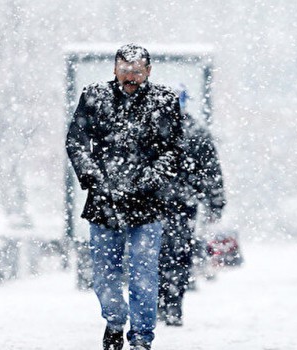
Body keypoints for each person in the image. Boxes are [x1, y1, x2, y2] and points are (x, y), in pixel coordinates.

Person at [66, 44, 184, 350]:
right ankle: (115, 320)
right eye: (124, 70)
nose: (130, 77)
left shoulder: (164, 100)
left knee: (144, 271)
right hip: (104, 201)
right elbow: (76, 141)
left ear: (148, 71)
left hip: (148, 201)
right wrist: (93, 176)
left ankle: (142, 337)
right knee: (105, 272)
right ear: (114, 69)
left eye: (136, 71)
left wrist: (150, 178)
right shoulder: (94, 96)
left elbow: (173, 148)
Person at [158, 85, 226, 327]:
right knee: (177, 254)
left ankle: (163, 302)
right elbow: (211, 172)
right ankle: (172, 302)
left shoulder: (153, 129)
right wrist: (215, 202)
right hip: (181, 204)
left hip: (159, 204)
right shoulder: (195, 131)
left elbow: (210, 171)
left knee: (160, 254)